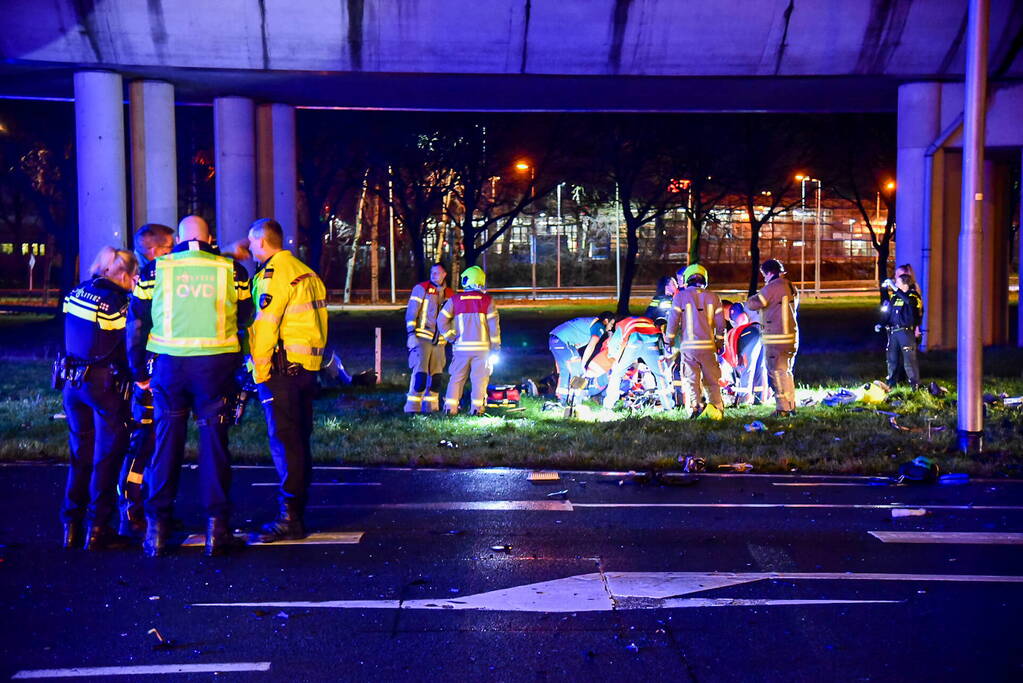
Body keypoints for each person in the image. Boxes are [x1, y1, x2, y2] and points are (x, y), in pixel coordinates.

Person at [127, 215, 253, 557]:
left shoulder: (156, 270)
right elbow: (245, 316)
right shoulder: (231, 270)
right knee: (214, 444)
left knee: (166, 444)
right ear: (209, 237)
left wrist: (138, 370)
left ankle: (156, 531)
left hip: (169, 368)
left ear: (180, 239)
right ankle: (217, 529)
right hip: (215, 368)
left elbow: (137, 322)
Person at [247, 218, 329, 542]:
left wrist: (259, 371)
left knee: (284, 443)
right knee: (299, 442)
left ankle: (289, 517)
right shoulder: (306, 272)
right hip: (306, 370)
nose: (249, 248)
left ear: (262, 241)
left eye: (251, 242)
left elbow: (266, 325)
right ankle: (296, 511)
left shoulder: (273, 275)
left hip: (281, 372)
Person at [57, 247, 138, 550]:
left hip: (71, 383)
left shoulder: (76, 292)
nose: (135, 282)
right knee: (106, 458)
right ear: (123, 275)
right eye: (134, 277)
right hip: (103, 387)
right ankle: (98, 529)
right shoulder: (117, 303)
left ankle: (70, 527)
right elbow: (127, 346)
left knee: (80, 457)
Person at [119, 223, 175, 536]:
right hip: (147, 376)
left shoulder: (155, 276)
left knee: (155, 444)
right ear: (155, 251)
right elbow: (136, 329)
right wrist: (139, 373)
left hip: (155, 371)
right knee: (142, 444)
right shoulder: (145, 279)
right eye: (170, 249)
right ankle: (131, 511)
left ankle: (152, 509)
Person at [438, 266, 500, 416]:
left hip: (461, 349)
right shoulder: (487, 301)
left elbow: (441, 320)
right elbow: (494, 327)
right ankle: (477, 410)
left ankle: (450, 409)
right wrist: (495, 347)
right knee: (479, 380)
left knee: (457, 378)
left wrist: (450, 336)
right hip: (482, 350)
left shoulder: (455, 300)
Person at [665, 263, 725, 418]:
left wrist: (669, 341)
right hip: (709, 347)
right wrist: (720, 342)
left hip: (689, 348)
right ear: (705, 279)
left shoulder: (680, 297)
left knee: (691, 380)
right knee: (712, 380)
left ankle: (695, 409)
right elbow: (720, 324)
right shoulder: (714, 297)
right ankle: (717, 410)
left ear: (687, 279)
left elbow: (673, 321)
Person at [746, 259, 799, 416]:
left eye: (764, 275)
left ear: (769, 273)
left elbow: (754, 304)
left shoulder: (771, 288)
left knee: (777, 373)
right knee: (786, 373)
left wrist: (750, 298)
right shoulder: (791, 286)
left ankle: (783, 409)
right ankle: (790, 405)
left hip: (776, 338)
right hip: (791, 336)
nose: (764, 278)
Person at [404, 263, 452, 413]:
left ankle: (431, 408)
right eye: (432, 272)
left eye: (437, 272)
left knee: (437, 377)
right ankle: (412, 408)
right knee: (420, 375)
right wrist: (411, 334)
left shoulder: (450, 294)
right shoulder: (421, 289)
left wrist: (450, 336)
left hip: (440, 342)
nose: (433, 275)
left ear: (444, 274)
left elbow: (453, 318)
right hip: (422, 338)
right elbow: (411, 313)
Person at [602, 316, 674, 410]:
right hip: (652, 343)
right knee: (660, 375)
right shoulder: (648, 320)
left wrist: (613, 357)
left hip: (633, 344)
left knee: (616, 374)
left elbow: (613, 344)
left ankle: (608, 406)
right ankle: (668, 406)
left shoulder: (621, 324)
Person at [548, 312, 615, 405]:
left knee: (565, 371)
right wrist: (582, 364)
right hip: (563, 341)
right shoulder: (599, 326)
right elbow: (591, 346)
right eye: (611, 324)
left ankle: (562, 399)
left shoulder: (592, 321)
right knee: (578, 371)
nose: (611, 327)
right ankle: (576, 400)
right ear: (606, 321)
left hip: (555, 339)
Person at [880, 274, 923, 389]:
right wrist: (881, 324)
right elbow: (889, 313)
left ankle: (915, 385)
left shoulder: (913, 296)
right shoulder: (894, 297)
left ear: (905, 284)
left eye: (898, 282)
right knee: (891, 359)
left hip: (905, 332)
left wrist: (895, 288)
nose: (895, 284)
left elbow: (911, 303)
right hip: (893, 332)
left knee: (909, 361)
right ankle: (891, 384)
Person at [721, 302, 769, 406]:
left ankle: (744, 397)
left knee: (746, 365)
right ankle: (760, 397)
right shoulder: (741, 311)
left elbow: (743, 320)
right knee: (760, 367)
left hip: (751, 333)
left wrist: (737, 346)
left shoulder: (734, 308)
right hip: (763, 332)